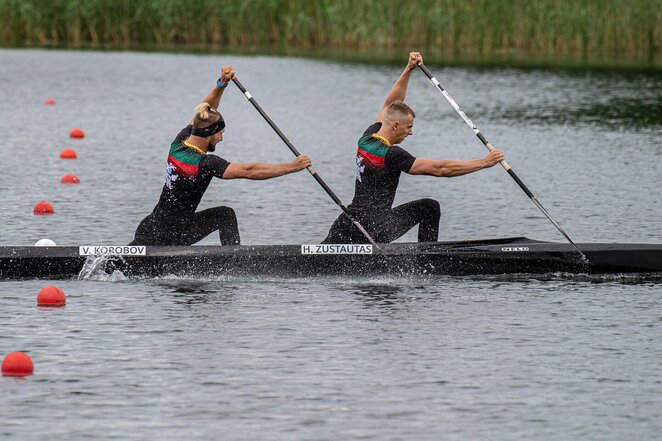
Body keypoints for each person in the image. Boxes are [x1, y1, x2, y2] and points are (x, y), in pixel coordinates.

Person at [322, 52, 504, 244]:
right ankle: (427, 258)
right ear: (394, 126)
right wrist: (483, 163)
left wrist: (409, 69)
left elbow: (390, 104)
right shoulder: (391, 154)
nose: (410, 133)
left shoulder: (367, 137)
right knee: (429, 207)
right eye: (409, 127)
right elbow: (440, 169)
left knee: (313, 261)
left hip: (349, 223)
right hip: (375, 229)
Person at [130, 66, 311, 246]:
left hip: (152, 228)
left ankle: (232, 260)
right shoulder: (204, 163)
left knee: (224, 215)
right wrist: (291, 167)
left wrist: (222, 84)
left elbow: (204, 112)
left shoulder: (179, 143)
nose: (221, 139)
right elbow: (249, 171)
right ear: (208, 134)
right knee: (225, 215)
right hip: (168, 237)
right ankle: (235, 264)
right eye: (220, 134)